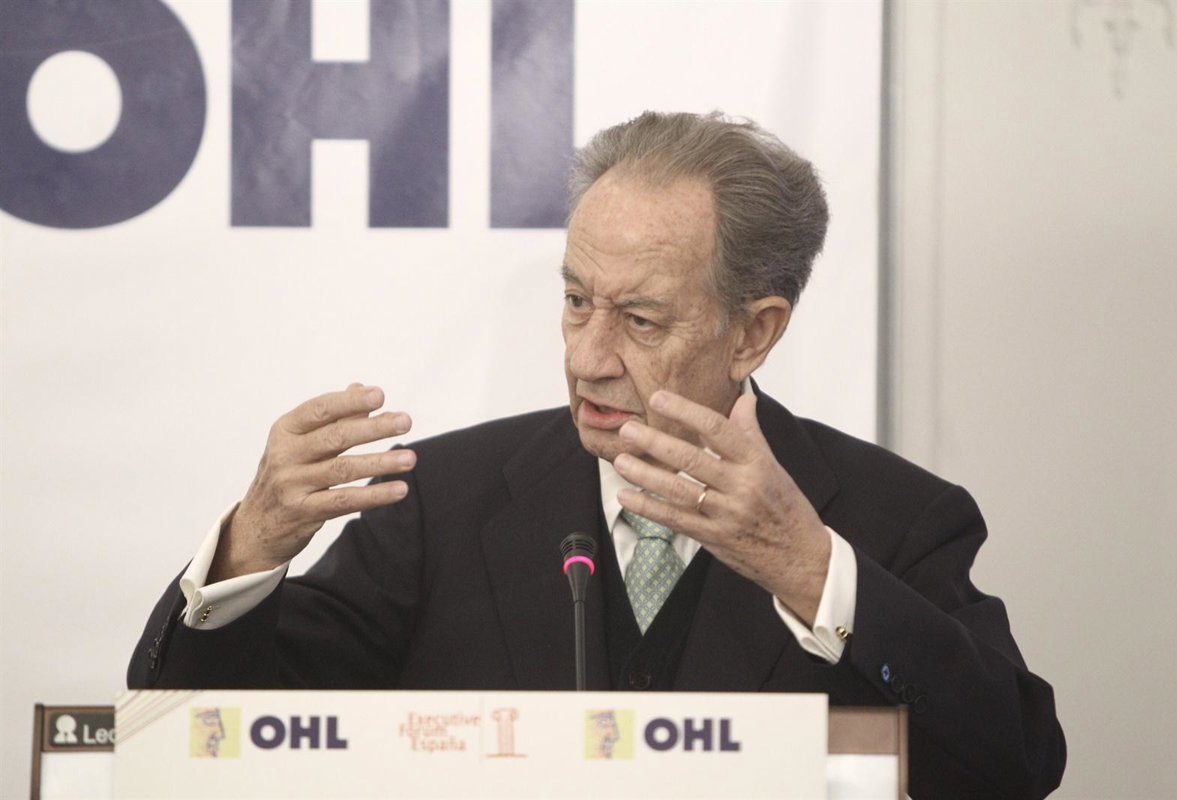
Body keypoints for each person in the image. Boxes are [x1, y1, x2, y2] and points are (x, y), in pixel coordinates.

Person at [129, 111, 1066, 798]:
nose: (587, 358)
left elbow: (1013, 768)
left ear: (753, 333)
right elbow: (197, 751)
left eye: (640, 319)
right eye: (577, 301)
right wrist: (249, 549)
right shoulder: (436, 503)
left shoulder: (893, 519)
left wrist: (809, 570)